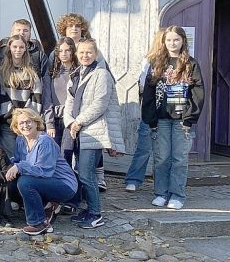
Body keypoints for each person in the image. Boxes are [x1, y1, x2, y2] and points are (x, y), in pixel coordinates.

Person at [63, 38, 124, 229]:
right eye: (81, 52)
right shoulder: (76, 74)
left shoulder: (102, 75)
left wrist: (79, 122)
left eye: (89, 52)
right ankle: (89, 209)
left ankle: (96, 213)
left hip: (94, 132)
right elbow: (69, 103)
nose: (85, 56)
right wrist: (70, 122)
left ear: (96, 54)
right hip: (78, 131)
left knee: (87, 175)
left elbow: (100, 103)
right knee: (82, 171)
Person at [143, 25, 204, 210]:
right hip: (161, 118)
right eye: (169, 40)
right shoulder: (156, 64)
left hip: (181, 120)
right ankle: (161, 193)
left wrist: (189, 118)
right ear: (164, 42)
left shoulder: (190, 64)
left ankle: (177, 195)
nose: (172, 43)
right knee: (162, 158)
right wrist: (150, 118)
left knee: (179, 158)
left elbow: (198, 92)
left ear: (183, 41)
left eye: (176, 39)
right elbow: (148, 93)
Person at [4, 108, 77, 235]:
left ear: (36, 122)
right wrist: (7, 169)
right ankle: (47, 205)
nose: (25, 126)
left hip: (64, 184)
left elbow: (45, 171)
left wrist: (19, 167)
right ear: (16, 126)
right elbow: (16, 161)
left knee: (25, 182)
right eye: (21, 123)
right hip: (43, 182)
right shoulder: (20, 140)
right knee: (9, 181)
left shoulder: (45, 141)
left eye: (28, 122)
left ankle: (38, 223)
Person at [124, 32, 162, 192]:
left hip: (169, 112)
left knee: (164, 152)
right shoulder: (150, 62)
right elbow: (142, 85)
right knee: (144, 148)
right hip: (150, 110)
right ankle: (133, 179)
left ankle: (161, 184)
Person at [0, 34, 42, 157]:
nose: (18, 50)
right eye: (15, 47)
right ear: (9, 48)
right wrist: (13, 116)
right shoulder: (1, 70)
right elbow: (0, 95)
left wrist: (25, 116)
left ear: (25, 48)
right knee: (12, 157)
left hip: (27, 123)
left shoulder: (32, 70)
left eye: (21, 47)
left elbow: (36, 96)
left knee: (28, 155)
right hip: (8, 122)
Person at [42, 37, 78, 151]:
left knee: (66, 153)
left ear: (73, 52)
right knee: (53, 153)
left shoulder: (79, 72)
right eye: (60, 51)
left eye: (67, 50)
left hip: (72, 119)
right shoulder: (51, 73)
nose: (64, 54)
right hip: (55, 119)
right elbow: (47, 99)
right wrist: (50, 124)